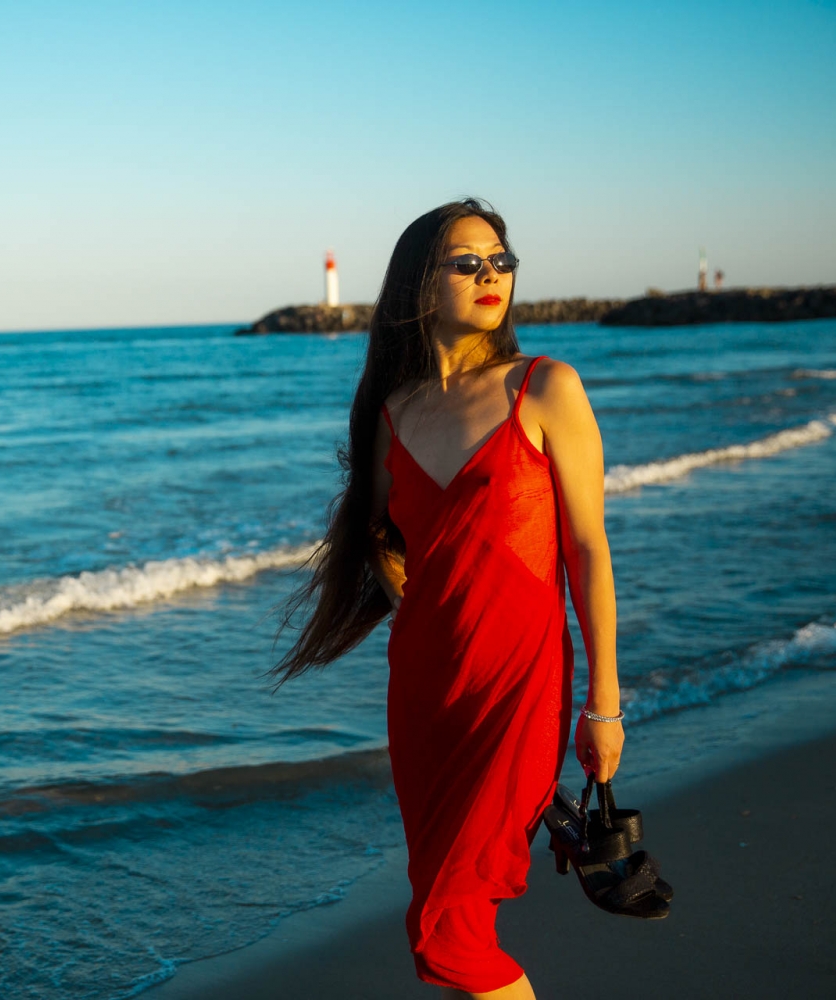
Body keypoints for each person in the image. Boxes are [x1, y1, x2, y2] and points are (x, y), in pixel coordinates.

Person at [274, 199, 624, 999]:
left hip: (518, 687)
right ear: (419, 285)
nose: (491, 275)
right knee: (444, 918)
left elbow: (588, 552)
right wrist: (421, 612)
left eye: (501, 261)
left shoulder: (546, 389)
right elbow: (378, 534)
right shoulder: (394, 416)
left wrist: (603, 706)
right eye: (467, 262)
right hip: (427, 692)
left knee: (448, 929)